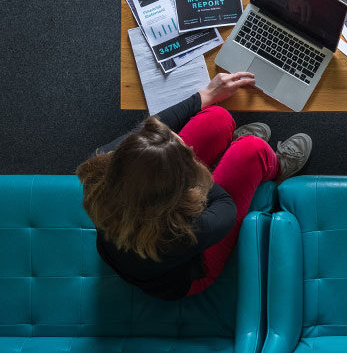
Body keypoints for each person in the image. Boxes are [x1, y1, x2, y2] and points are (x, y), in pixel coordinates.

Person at [76, 72, 313, 300]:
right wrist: (195, 170)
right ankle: (277, 168)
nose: (187, 146)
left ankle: (225, 153)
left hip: (149, 213)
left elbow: (152, 129)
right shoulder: (179, 232)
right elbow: (225, 206)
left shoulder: (104, 165)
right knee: (252, 151)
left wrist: (203, 95)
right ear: (179, 187)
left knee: (216, 119)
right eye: (187, 154)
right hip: (188, 271)